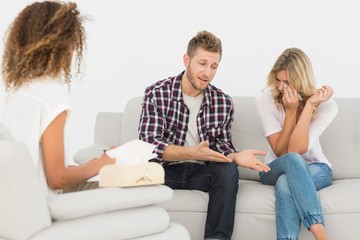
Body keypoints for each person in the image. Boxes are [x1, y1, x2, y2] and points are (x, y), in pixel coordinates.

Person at [138, 30, 270, 240]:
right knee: (137, 174)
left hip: (201, 173)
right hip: (164, 171)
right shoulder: (157, 93)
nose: (207, 72)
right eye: (202, 63)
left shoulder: (223, 102)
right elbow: (150, 146)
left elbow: (223, 149)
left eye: (214, 66)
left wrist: (237, 156)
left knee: (228, 171)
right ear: (186, 60)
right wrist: (192, 152)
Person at [1, 1, 115, 196]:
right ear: (63, 45)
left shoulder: (18, 95)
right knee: (134, 190)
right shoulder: (50, 97)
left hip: (17, 206)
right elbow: (57, 179)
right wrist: (102, 163)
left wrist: (88, 166)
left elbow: (39, 169)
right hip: (42, 211)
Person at [255, 48, 338, 240]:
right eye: (278, 80)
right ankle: (320, 232)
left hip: (316, 168)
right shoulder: (265, 98)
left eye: (288, 82)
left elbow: (298, 148)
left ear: (301, 80)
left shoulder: (327, 106)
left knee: (286, 183)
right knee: (290, 161)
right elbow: (285, 152)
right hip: (273, 168)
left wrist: (308, 106)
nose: (282, 87)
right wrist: (290, 112)